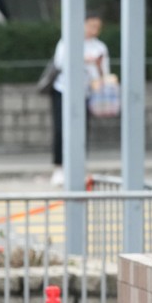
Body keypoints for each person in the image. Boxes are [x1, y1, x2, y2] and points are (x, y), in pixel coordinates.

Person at [49, 13, 110, 185]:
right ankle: (59, 167)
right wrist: (83, 59)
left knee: (82, 130)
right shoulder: (67, 41)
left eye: (97, 26)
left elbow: (103, 73)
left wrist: (96, 65)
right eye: (91, 25)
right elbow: (59, 63)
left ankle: (78, 166)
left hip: (85, 92)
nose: (94, 30)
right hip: (63, 90)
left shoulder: (99, 47)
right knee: (60, 129)